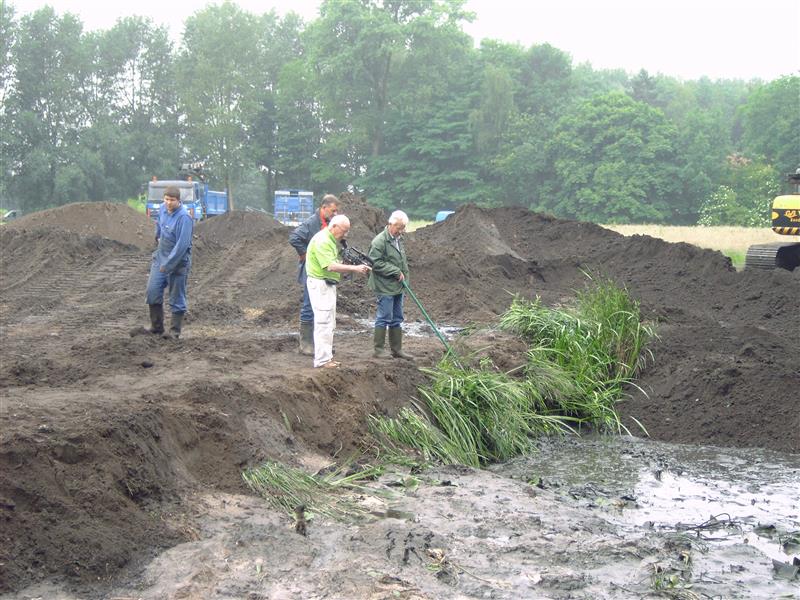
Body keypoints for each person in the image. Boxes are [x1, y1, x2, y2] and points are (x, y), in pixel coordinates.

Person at [305, 214, 370, 368]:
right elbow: (330, 266)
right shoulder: (323, 240)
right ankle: (322, 360)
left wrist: (345, 263)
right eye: (344, 231)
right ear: (334, 226)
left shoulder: (329, 240)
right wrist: (354, 268)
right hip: (320, 285)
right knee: (323, 322)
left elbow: (333, 262)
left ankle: (327, 357)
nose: (345, 235)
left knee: (329, 322)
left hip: (327, 284)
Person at [289, 194, 340, 355]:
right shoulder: (311, 223)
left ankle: (320, 343)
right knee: (309, 304)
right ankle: (306, 345)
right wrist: (305, 254)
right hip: (311, 268)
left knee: (321, 306)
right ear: (323, 208)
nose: (335, 214)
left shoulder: (328, 223)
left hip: (322, 268)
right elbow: (294, 238)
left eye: (336, 211)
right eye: (333, 211)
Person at [143, 185, 193, 339]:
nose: (168, 203)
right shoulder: (162, 209)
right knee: (152, 291)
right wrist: (157, 236)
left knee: (176, 297)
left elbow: (182, 245)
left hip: (178, 263)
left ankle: (174, 332)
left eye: (172, 200)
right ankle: (156, 328)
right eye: (166, 199)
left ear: (178, 200)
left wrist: (169, 264)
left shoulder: (184, 218)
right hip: (160, 258)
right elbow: (159, 225)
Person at [368, 210, 414, 359]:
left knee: (397, 317)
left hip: (398, 285)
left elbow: (401, 260)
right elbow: (374, 263)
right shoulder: (379, 241)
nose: (401, 231)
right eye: (399, 227)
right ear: (391, 224)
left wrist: (404, 277)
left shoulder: (398, 239)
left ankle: (397, 349)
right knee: (384, 316)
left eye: (403, 228)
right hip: (384, 286)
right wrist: (395, 271)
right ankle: (379, 350)